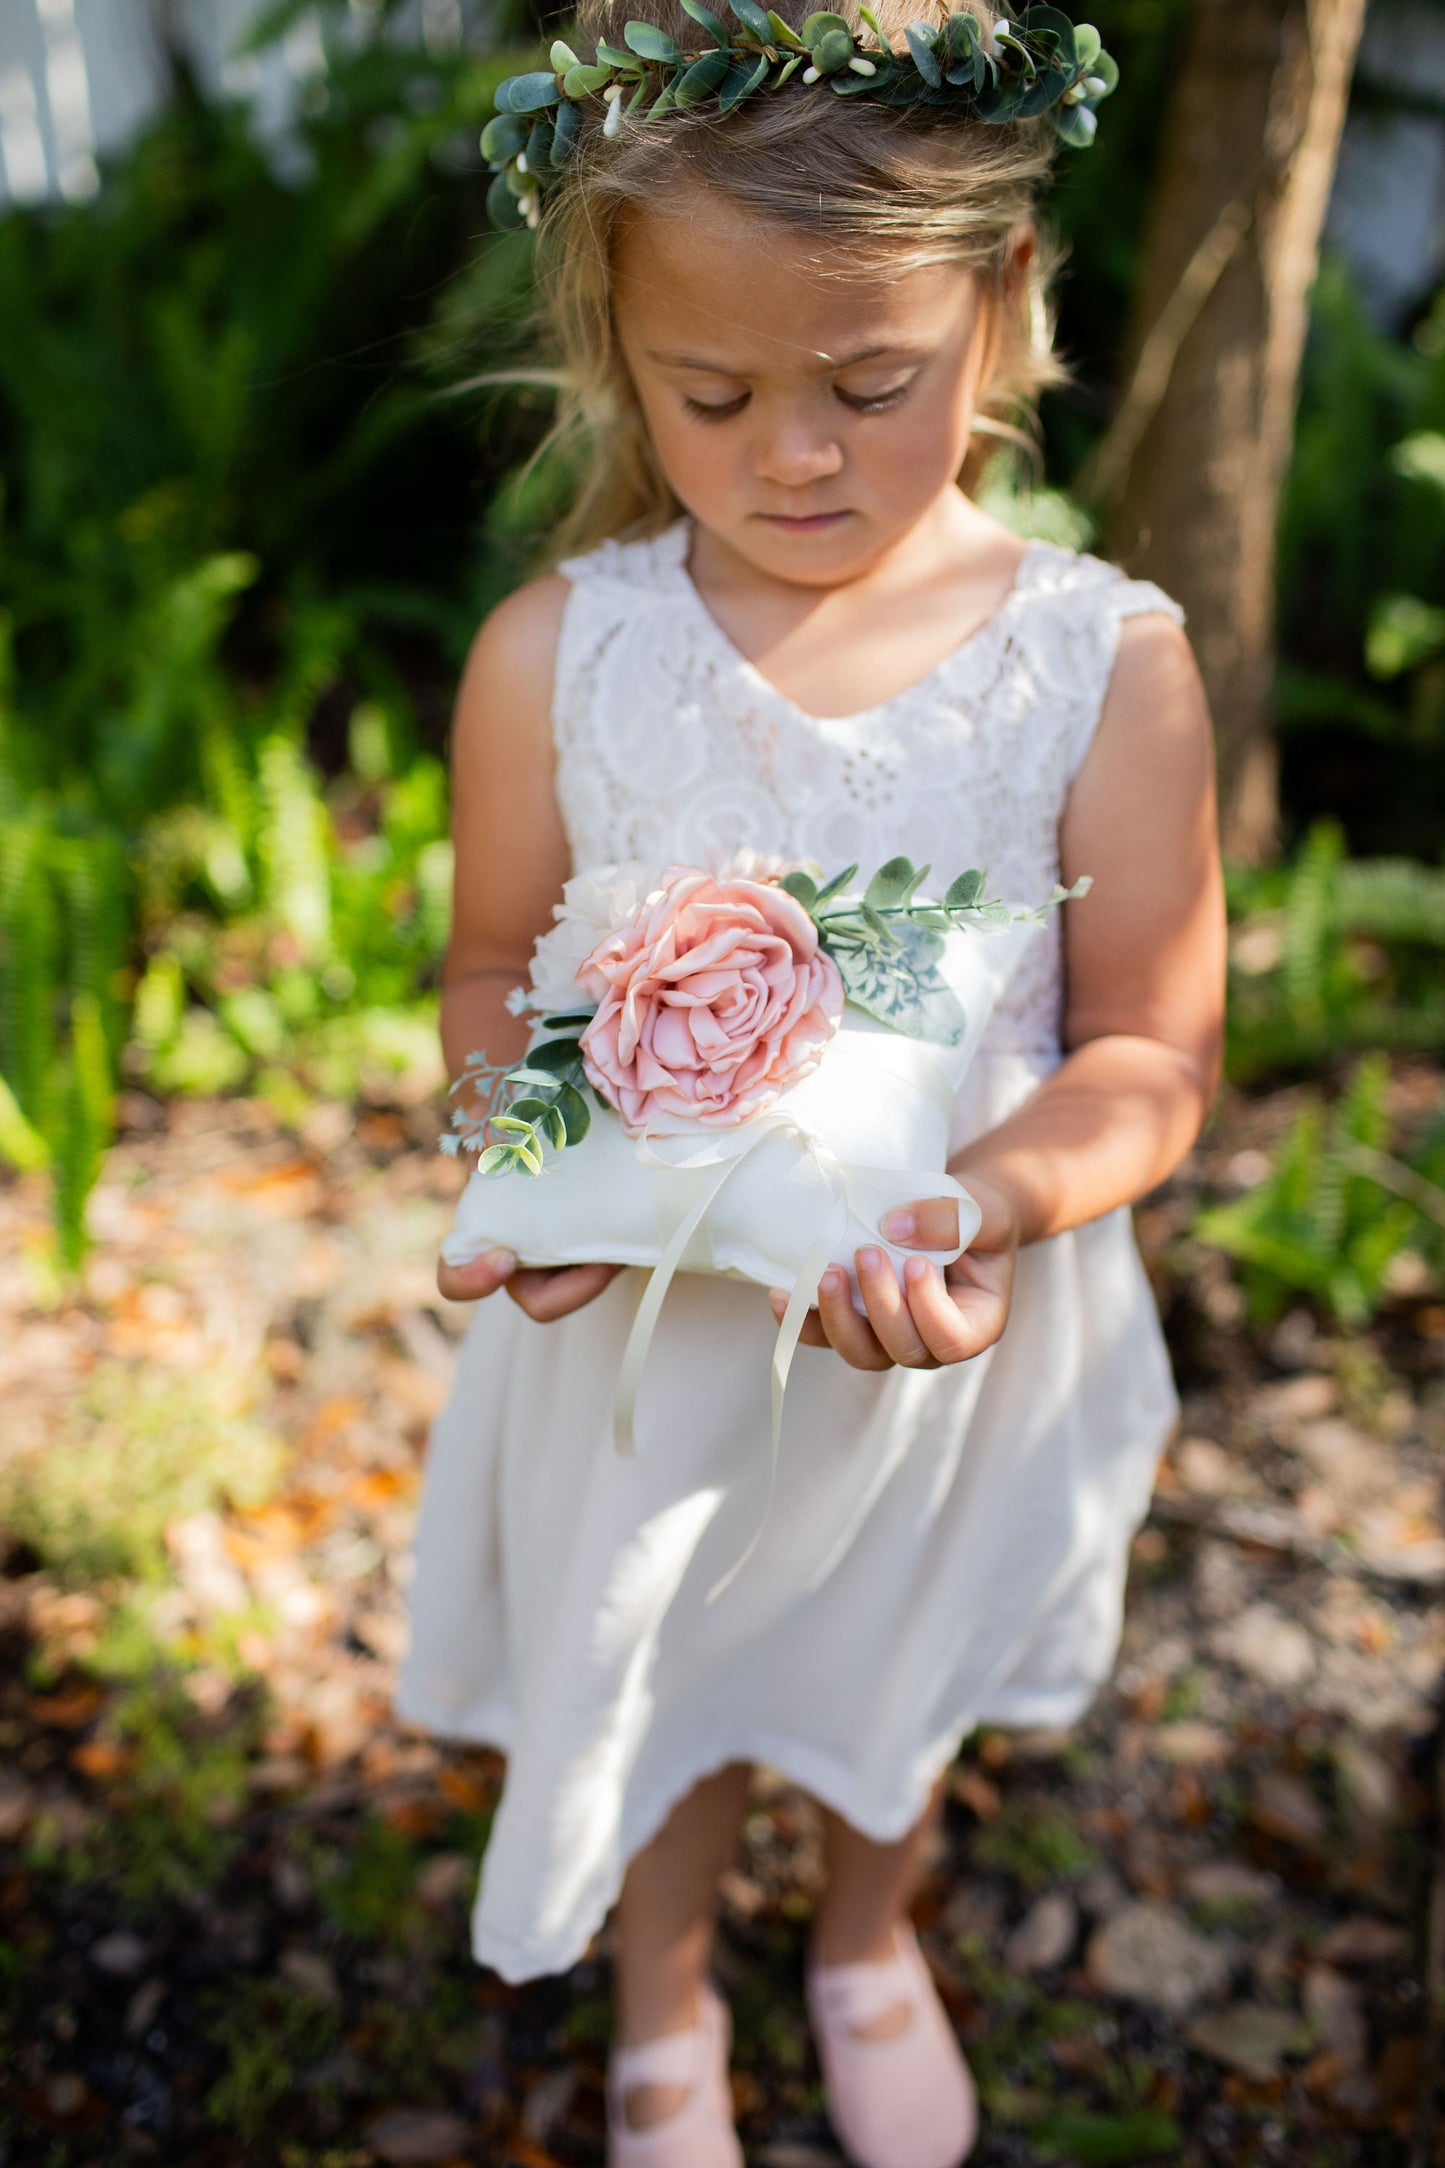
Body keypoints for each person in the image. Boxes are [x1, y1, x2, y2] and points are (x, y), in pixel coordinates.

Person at [398, 3, 1226, 2160]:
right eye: (715, 393)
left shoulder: (1100, 661)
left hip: (951, 1326)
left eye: (872, 386)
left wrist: (986, 1201)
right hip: (648, 1336)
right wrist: (534, 1155)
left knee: (891, 1649)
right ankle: (666, 1989)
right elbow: (498, 966)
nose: (796, 454)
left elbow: (1149, 1042)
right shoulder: (559, 657)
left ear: (1005, 301)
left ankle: (867, 1926)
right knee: (659, 1646)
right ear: (614, 343)